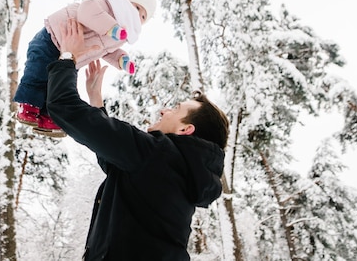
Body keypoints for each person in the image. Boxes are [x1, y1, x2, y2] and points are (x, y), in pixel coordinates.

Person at [45, 18, 230, 260]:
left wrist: (68, 56)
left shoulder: (158, 154)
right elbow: (116, 166)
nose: (164, 110)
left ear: (186, 130)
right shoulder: (181, 172)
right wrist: (97, 103)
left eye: (176, 108)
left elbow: (63, 107)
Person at [14, 0, 161, 137]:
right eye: (138, 7)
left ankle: (48, 116)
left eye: (143, 16)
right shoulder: (107, 2)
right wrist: (111, 28)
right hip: (52, 38)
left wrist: (121, 60)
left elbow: (106, 50)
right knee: (39, 70)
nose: (137, 15)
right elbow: (86, 12)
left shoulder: (122, 33)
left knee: (56, 85)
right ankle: (27, 105)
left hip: (70, 57)